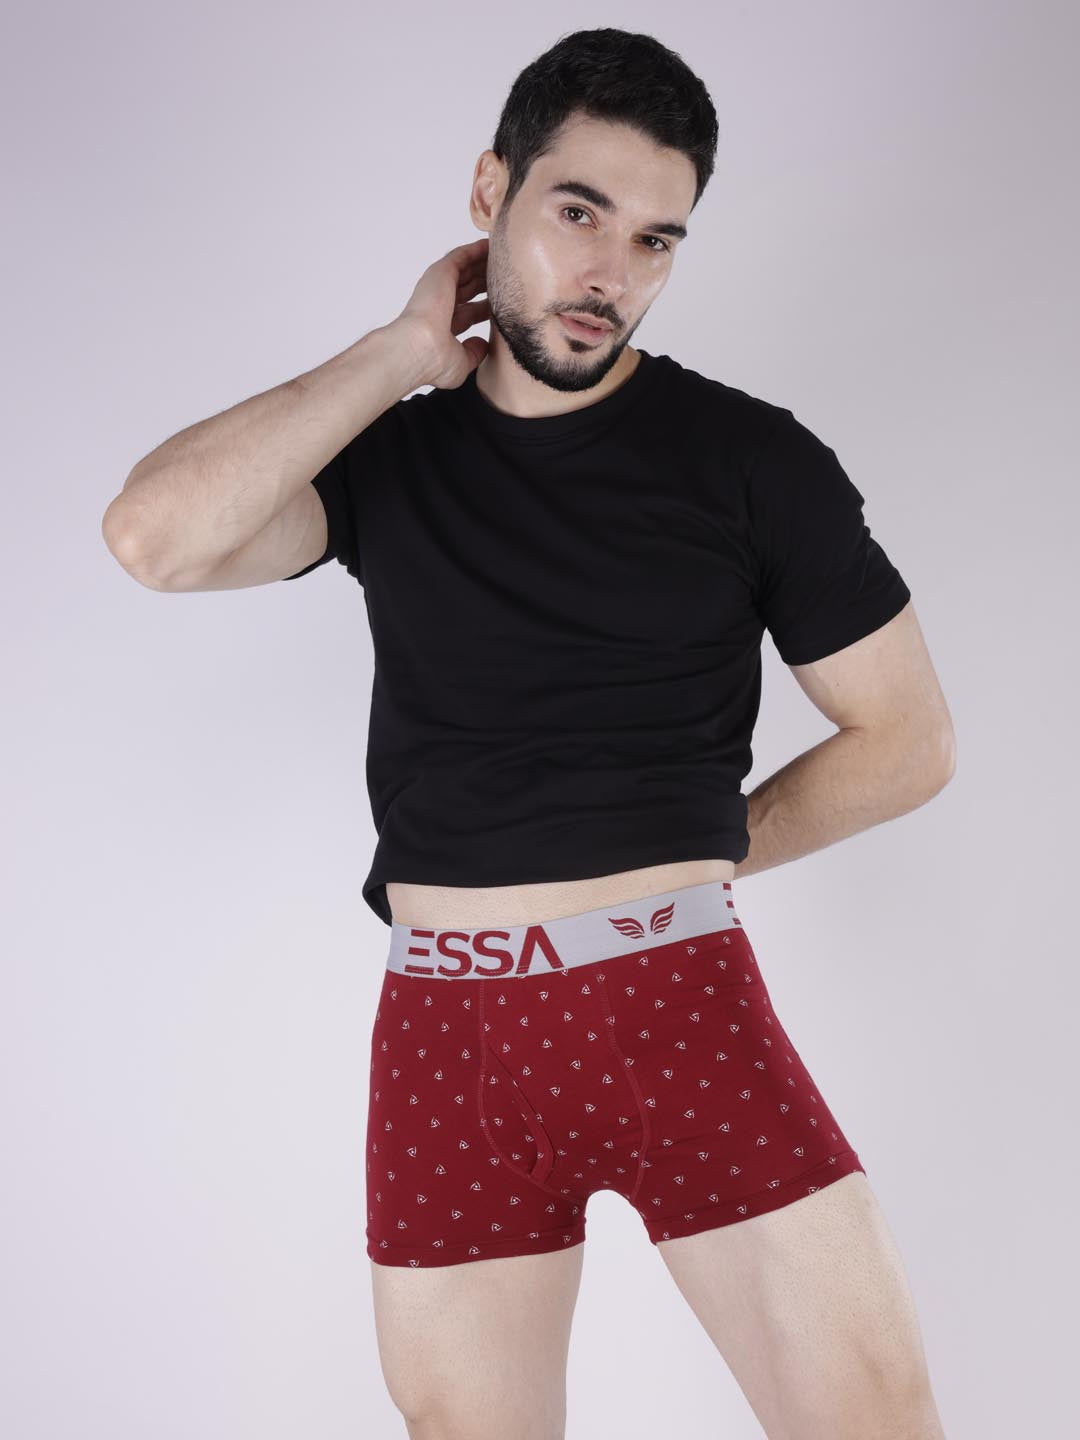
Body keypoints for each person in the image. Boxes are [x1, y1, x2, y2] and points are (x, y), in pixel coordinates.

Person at [102, 26, 954, 1440]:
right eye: (578, 213)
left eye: (656, 240)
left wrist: (690, 855)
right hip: (449, 1039)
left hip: (676, 1007)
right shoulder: (388, 459)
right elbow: (154, 538)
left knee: (874, 1420)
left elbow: (907, 740)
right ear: (490, 192)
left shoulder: (753, 461)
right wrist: (398, 352)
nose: (611, 272)